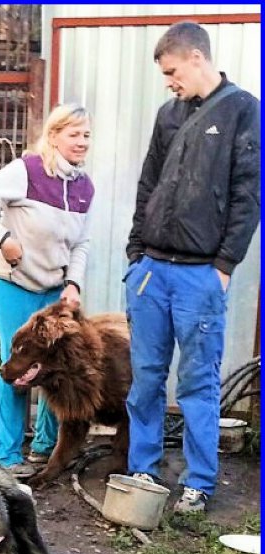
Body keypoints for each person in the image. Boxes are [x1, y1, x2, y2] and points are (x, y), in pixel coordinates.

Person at [124, 21, 260, 513]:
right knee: (145, 379)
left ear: (197, 59)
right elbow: (147, 185)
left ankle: (199, 483)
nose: (170, 81)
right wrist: (135, 254)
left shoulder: (244, 110)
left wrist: (224, 265)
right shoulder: (168, 114)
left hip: (200, 274)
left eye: (173, 71)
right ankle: (143, 470)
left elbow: (249, 194)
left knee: (198, 383)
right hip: (151, 272)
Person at [0, 103, 95, 479]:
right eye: (74, 134)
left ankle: (44, 447)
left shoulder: (84, 187)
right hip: (13, 282)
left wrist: (74, 283)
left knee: (56, 365)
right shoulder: (27, 171)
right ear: (54, 136)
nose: (82, 142)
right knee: (17, 361)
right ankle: (6, 453)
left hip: (54, 287)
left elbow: (81, 244)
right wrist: (2, 239)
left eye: (86, 135)